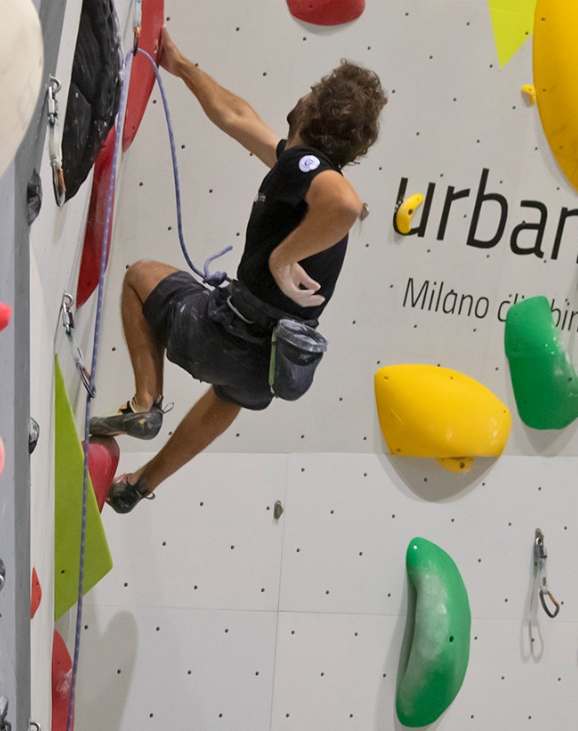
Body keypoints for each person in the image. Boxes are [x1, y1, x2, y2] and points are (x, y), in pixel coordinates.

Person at [89, 33, 385, 511]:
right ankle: (139, 485)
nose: (304, 93)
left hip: (222, 332)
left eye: (313, 90)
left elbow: (347, 204)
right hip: (264, 370)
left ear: (315, 111)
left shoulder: (308, 168)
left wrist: (280, 257)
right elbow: (236, 115)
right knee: (227, 396)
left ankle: (145, 404)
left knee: (140, 276)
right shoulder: (298, 168)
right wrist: (182, 66)